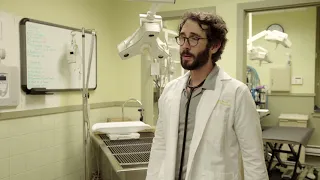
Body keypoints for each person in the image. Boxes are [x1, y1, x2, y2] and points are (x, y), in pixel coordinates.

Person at [146, 11, 268, 180]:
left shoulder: (236, 93)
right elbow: (159, 146)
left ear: (214, 46)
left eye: (194, 38)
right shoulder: (170, 91)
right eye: (182, 37)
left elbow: (253, 160)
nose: (185, 46)